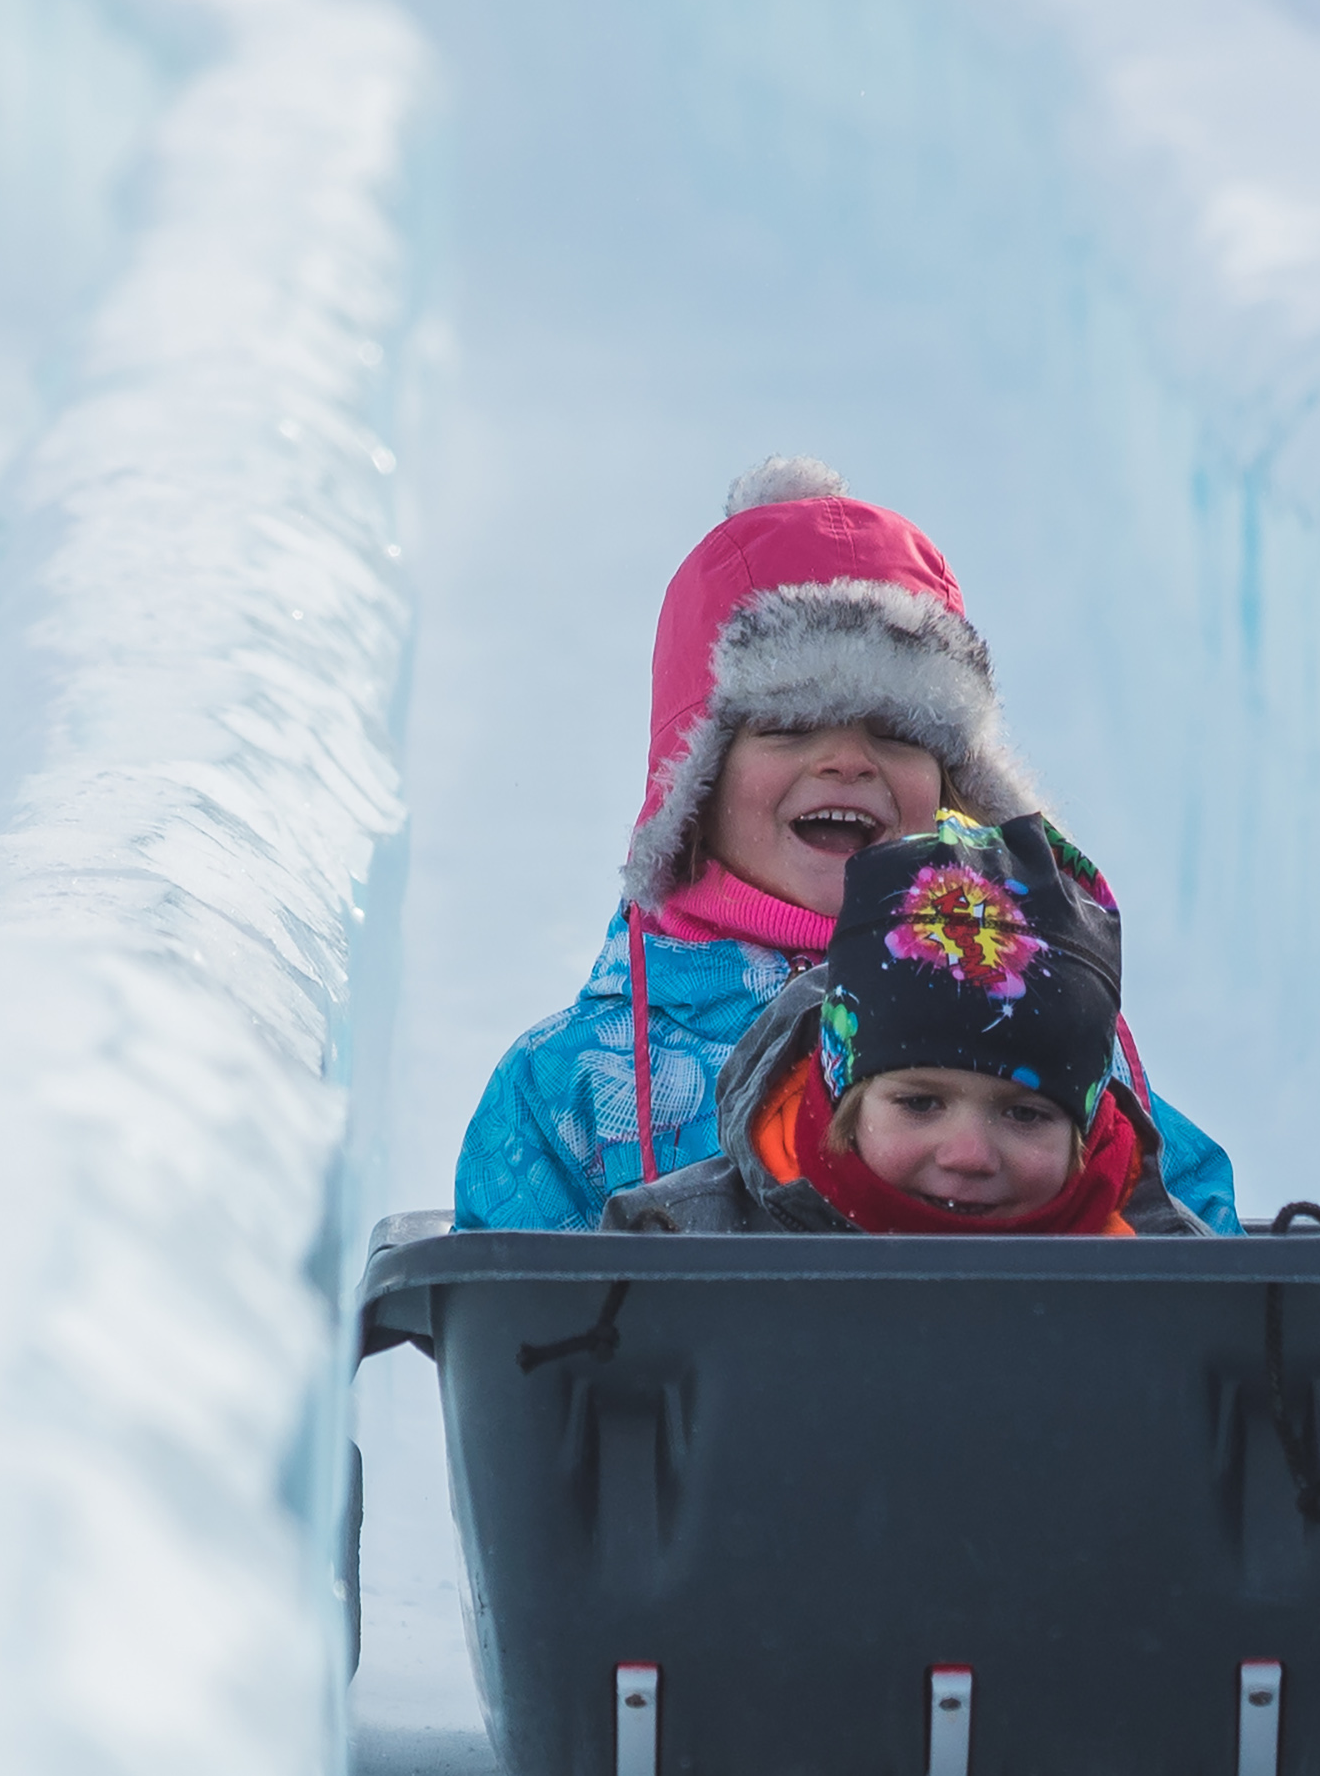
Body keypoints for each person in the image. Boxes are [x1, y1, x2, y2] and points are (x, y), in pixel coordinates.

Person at [453, 456, 1237, 1230]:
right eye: (789, 726)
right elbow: (521, 1324)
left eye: (897, 732)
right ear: (695, 785)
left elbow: (1191, 1257)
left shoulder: (1026, 1012)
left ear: (952, 781)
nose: (847, 761)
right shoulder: (575, 1082)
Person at [609, 814, 1208, 1236]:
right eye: (920, 1102)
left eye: (1025, 1113)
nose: (969, 1156)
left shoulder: (1171, 1281)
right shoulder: (680, 1245)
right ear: (848, 1098)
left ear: (1082, 1130)